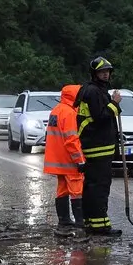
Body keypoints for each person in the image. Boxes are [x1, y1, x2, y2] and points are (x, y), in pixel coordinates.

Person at [76, 56, 123, 237]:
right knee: (99, 186)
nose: (105, 74)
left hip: (96, 145)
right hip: (98, 146)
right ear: (94, 74)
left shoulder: (93, 90)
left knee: (92, 185)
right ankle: (100, 226)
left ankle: (91, 222)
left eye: (107, 71)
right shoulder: (94, 92)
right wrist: (115, 104)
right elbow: (101, 116)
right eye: (102, 72)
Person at [43, 84, 86, 237]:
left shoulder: (56, 110)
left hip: (57, 160)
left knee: (62, 190)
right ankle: (80, 225)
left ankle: (64, 222)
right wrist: (80, 160)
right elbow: (71, 140)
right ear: (74, 96)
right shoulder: (69, 113)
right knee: (77, 191)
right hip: (69, 161)